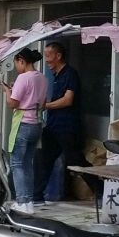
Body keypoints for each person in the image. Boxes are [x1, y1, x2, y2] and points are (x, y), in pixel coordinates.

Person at [40, 38, 82, 202]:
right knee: (46, 160)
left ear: (58, 56)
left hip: (67, 127)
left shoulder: (70, 74)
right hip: (53, 126)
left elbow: (68, 100)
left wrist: (46, 106)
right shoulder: (56, 75)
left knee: (75, 160)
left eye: (49, 55)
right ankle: (37, 194)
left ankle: (100, 189)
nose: (47, 60)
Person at [6, 47, 46, 206]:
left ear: (21, 61)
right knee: (27, 163)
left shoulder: (23, 78)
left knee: (17, 164)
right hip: (36, 124)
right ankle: (29, 202)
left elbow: (13, 103)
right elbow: (43, 103)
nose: (16, 67)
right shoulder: (42, 77)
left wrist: (7, 92)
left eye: (16, 63)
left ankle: (22, 202)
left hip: (22, 124)